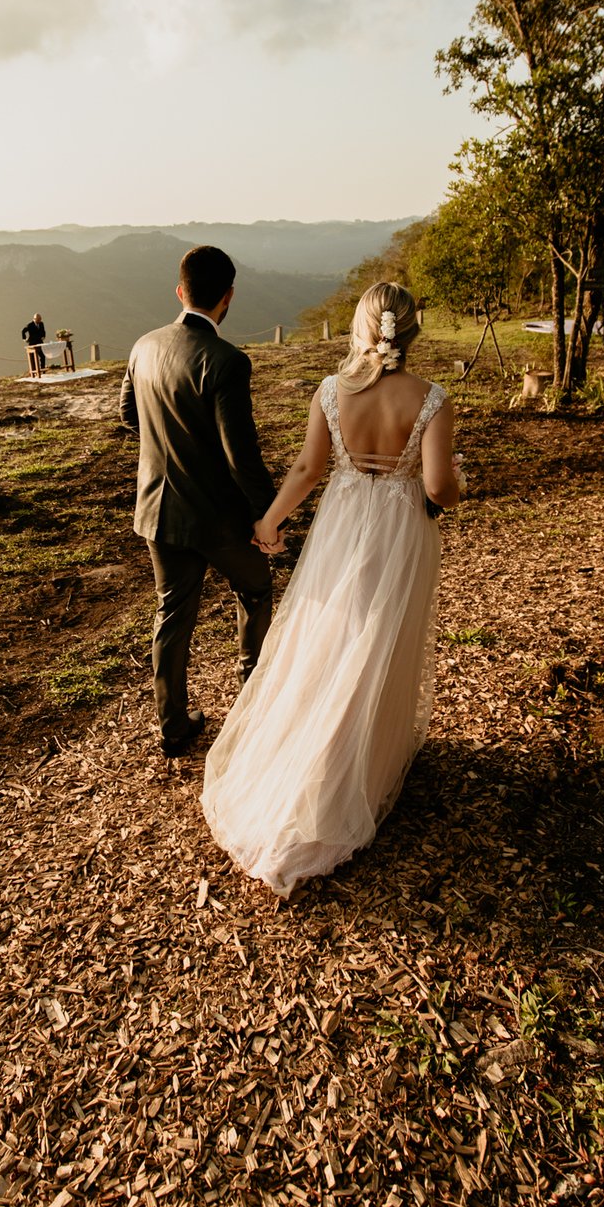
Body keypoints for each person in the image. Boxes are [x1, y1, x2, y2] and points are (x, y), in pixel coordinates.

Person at [201, 282, 464, 900]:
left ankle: (308, 758)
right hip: (399, 532)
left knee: (328, 638)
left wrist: (268, 520)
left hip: (342, 528)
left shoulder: (330, 390)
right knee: (378, 643)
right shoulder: (432, 400)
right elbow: (436, 489)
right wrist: (457, 483)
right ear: (412, 332)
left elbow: (306, 470)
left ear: (361, 328)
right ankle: (351, 768)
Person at [120, 245, 278, 758]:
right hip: (219, 520)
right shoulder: (227, 361)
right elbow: (241, 454)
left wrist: (170, 441)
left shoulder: (143, 346)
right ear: (228, 297)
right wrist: (267, 515)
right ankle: (251, 701)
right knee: (255, 589)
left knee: (172, 615)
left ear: (179, 291)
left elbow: (128, 414)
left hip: (158, 515)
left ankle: (173, 727)